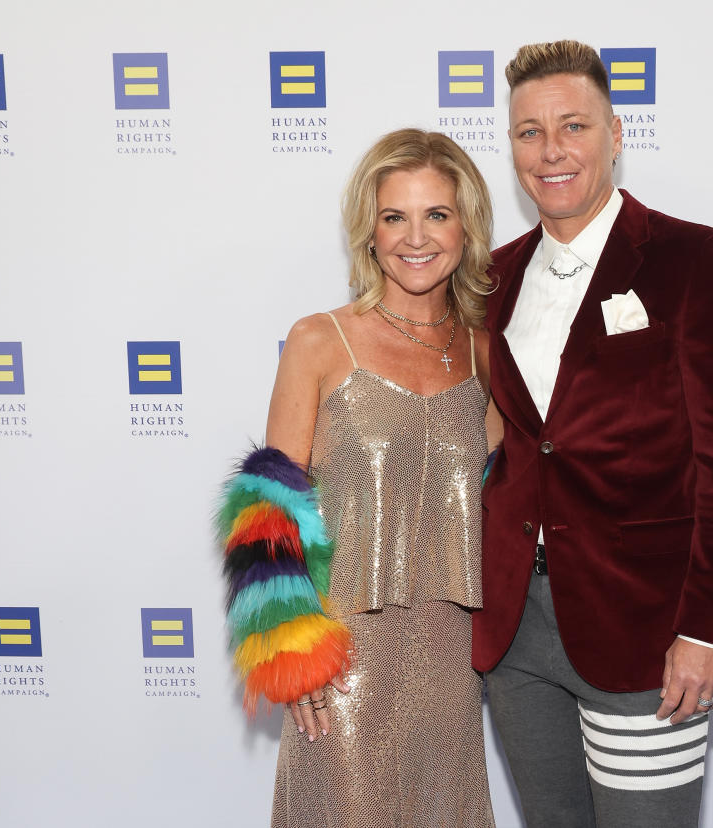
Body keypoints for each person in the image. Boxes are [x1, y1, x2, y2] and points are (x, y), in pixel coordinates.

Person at [475, 41, 713, 827]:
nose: (551, 151)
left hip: (643, 626)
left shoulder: (693, 259)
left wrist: (708, 627)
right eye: (528, 132)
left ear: (616, 131)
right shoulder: (493, 278)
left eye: (573, 126)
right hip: (515, 635)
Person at [219, 128, 496, 828]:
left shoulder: (488, 350)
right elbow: (268, 508)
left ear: (466, 226)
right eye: (393, 216)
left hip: (452, 666)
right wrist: (287, 649)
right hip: (341, 668)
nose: (415, 237)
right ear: (368, 233)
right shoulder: (320, 339)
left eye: (436, 214)